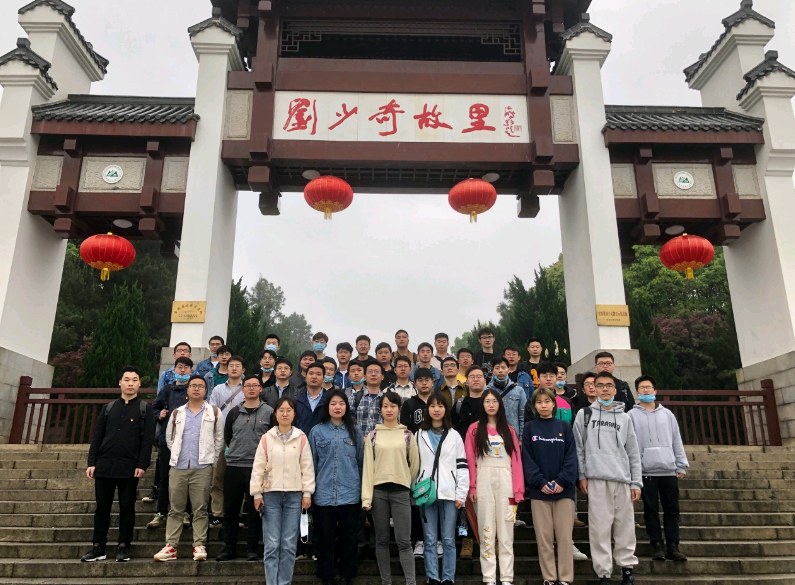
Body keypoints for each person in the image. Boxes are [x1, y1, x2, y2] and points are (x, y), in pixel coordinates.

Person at [574, 371, 642, 585]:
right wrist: (582, 476)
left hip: (622, 479)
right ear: (592, 388)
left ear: (615, 389)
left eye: (609, 385)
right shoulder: (584, 414)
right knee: (599, 528)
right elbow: (578, 449)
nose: (604, 389)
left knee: (625, 527)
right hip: (596, 478)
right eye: (600, 385)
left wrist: (636, 482)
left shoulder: (625, 418)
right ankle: (603, 572)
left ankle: (627, 569)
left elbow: (633, 452)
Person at [82, 366, 155, 563]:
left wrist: (142, 464)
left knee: (127, 507)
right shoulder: (108, 408)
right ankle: (98, 546)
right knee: (102, 508)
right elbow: (97, 437)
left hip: (129, 467)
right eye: (127, 379)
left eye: (134, 380)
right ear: (120, 383)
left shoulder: (145, 409)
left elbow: (147, 440)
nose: (130, 383)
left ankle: (124, 545)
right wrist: (92, 462)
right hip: (104, 465)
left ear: (139, 383)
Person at [154, 375, 224, 562]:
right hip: (179, 466)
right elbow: (170, 438)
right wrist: (177, 454)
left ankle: (199, 544)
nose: (196, 389)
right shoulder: (177, 412)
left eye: (200, 386)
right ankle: (171, 546)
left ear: (206, 390)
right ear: (187, 390)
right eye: (193, 385)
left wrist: (211, 459)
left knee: (200, 508)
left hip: (202, 467)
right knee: (175, 508)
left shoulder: (214, 412)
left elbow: (219, 439)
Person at [251, 397, 315, 585]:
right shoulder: (267, 438)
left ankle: (284, 582)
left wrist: (307, 492)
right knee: (271, 544)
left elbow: (307, 467)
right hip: (270, 495)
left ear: (294, 414)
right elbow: (258, 467)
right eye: (281, 410)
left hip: (294, 497)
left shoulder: (301, 438)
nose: (285, 414)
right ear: (275, 414)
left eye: (289, 410)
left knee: (288, 544)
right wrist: (257, 493)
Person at [465, 389, 524, 585]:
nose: (491, 405)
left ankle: (506, 578)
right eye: (487, 401)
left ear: (500, 404)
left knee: (506, 535)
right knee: (487, 532)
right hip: (483, 482)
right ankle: (489, 578)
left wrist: (518, 491)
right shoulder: (474, 430)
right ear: (482, 405)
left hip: (507, 484)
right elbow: (470, 460)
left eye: (494, 401)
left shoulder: (509, 430)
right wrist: (472, 487)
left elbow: (516, 462)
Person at [628, 375, 688, 562]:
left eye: (649, 387)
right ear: (637, 392)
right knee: (650, 510)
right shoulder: (631, 415)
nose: (645, 391)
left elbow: (676, 439)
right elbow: (630, 444)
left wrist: (681, 463)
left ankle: (673, 545)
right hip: (646, 472)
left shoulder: (667, 414)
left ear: (655, 391)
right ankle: (657, 545)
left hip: (668, 470)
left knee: (672, 509)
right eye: (642, 388)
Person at [362, 391, 420, 585]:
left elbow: (414, 465)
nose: (389, 409)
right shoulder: (373, 436)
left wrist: (403, 479)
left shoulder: (407, 435)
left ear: (399, 409)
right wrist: (366, 498)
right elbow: (368, 468)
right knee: (381, 540)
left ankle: (410, 582)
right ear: (380, 410)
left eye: (393, 406)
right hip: (378, 492)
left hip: (401, 492)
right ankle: (386, 581)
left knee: (404, 541)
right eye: (385, 406)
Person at [521, 388, 577, 585]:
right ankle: (549, 578)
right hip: (539, 492)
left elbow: (571, 458)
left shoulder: (565, 427)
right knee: (544, 539)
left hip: (564, 491)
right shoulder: (529, 428)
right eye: (539, 402)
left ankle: (565, 578)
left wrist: (561, 481)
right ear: (534, 406)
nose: (543, 405)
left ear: (554, 404)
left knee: (564, 538)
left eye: (547, 401)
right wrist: (540, 482)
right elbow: (527, 459)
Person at [309, 390, 365, 585]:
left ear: (346, 407)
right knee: (325, 538)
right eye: (333, 403)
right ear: (327, 407)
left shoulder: (355, 431)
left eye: (341, 403)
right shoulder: (317, 431)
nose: (337, 407)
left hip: (350, 492)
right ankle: (326, 575)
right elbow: (311, 463)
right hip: (323, 493)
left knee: (349, 539)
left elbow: (360, 462)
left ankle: (347, 575)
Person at [217, 376, 273, 562]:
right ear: (242, 389)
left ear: (260, 389)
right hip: (234, 466)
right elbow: (228, 436)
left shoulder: (269, 412)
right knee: (231, 510)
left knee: (255, 511)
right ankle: (229, 547)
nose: (251, 388)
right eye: (247, 385)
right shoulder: (234, 412)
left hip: (257, 468)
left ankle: (251, 548)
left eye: (255, 385)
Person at [415, 394, 469, 585]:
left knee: (448, 539)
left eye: (440, 406)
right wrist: (415, 488)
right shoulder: (419, 434)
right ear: (427, 409)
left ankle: (448, 578)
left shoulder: (454, 435)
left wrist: (461, 494)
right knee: (429, 539)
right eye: (432, 406)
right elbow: (414, 464)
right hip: (426, 494)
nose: (436, 409)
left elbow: (462, 466)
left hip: (449, 493)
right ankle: (432, 577)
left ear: (446, 409)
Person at [147, 357, 194, 530]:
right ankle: (161, 512)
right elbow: (153, 408)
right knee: (165, 477)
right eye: (179, 367)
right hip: (167, 440)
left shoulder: (194, 390)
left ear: (191, 371)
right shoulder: (167, 390)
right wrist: (159, 414)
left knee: (187, 478)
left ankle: (186, 512)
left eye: (186, 367)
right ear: (174, 369)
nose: (182, 370)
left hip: (188, 440)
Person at [208, 355, 247, 528]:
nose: (234, 368)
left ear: (243, 370)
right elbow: (212, 411)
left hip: (240, 438)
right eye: (231, 365)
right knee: (218, 477)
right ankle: (217, 513)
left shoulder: (247, 388)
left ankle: (236, 514)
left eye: (237, 365)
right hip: (220, 437)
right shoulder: (218, 389)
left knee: (239, 479)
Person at [453, 365, 487, 560]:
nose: (475, 379)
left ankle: (490, 537)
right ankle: (467, 539)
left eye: (479, 376)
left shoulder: (492, 402)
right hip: (464, 457)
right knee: (466, 500)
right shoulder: (459, 404)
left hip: (488, 456)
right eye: (472, 376)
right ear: (466, 381)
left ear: (485, 380)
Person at [486, 357, 526, 442]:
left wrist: (521, 439)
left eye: (503, 368)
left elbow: (522, 416)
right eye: (497, 368)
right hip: (492, 436)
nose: (500, 371)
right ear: (493, 371)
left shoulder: (519, 390)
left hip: (513, 436)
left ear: (508, 369)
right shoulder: (486, 390)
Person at [296, 361, 329, 434]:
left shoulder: (330, 399)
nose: (314, 377)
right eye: (311, 373)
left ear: (323, 378)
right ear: (306, 377)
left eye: (318, 374)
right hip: (301, 438)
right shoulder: (297, 399)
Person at [352, 361, 384, 436]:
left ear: (382, 377)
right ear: (364, 377)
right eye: (370, 371)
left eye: (377, 371)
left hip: (381, 441)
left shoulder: (387, 399)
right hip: (360, 441)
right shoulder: (354, 397)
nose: (373, 374)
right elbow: (349, 422)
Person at [400, 367, 434, 433]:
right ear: (415, 384)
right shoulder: (408, 404)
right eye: (420, 380)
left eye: (427, 380)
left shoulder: (439, 402)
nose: (424, 383)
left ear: (432, 383)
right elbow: (404, 428)